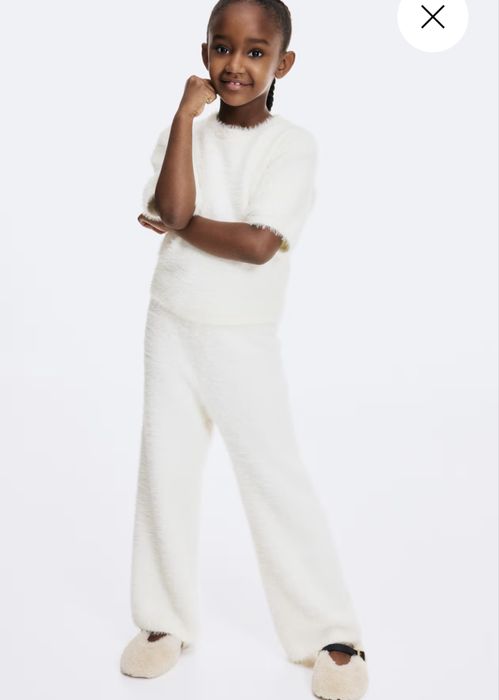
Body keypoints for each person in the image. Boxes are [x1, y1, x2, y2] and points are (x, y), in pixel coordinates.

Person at [120, 1, 369, 698]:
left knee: (273, 478)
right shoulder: (184, 136)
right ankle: (162, 621)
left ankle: (330, 632)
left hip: (241, 337)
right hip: (169, 325)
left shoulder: (291, 146)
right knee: (164, 471)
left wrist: (180, 222)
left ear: (283, 63)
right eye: (222, 48)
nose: (235, 65)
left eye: (255, 52)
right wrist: (182, 118)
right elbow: (174, 207)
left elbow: (257, 245)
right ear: (204, 54)